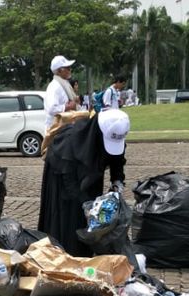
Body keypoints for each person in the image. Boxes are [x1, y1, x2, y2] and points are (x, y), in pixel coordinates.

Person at [38, 109, 129, 257]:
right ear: (98, 132)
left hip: (90, 177)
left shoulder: (113, 134)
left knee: (91, 217)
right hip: (61, 178)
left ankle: (84, 250)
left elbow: (117, 159)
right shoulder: (70, 141)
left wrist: (117, 183)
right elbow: (69, 183)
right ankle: (64, 254)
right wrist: (87, 205)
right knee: (69, 217)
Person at [44, 55, 78, 130]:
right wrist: (67, 107)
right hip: (57, 131)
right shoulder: (54, 86)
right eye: (67, 68)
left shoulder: (64, 84)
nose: (70, 70)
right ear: (59, 71)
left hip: (65, 128)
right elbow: (51, 109)